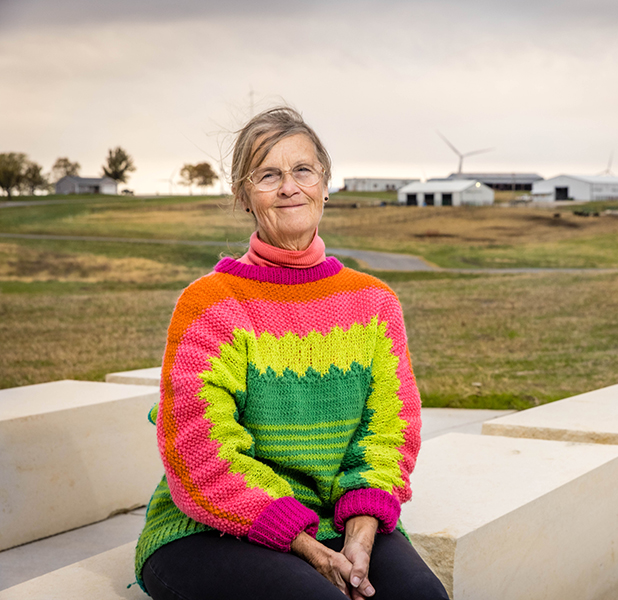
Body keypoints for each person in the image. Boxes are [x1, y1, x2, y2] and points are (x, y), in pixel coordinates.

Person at [134, 106, 448, 600]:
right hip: (210, 527)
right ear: (243, 196)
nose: (289, 187)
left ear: (325, 184)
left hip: (338, 518)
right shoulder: (209, 304)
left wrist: (360, 538)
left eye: (303, 170)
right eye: (268, 175)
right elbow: (201, 455)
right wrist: (309, 548)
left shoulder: (374, 303)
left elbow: (390, 432)